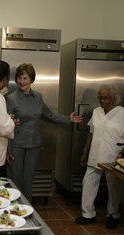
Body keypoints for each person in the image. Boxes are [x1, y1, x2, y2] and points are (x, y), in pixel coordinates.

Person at [5, 63, 82, 203]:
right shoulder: (11, 98)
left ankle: (27, 208)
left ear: (31, 79)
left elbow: (49, 114)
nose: (21, 81)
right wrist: (7, 149)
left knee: (29, 178)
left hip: (33, 144)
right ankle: (13, 208)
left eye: (25, 78)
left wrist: (68, 119)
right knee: (16, 179)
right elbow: (6, 125)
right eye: (19, 78)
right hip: (16, 145)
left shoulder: (38, 97)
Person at [75, 86, 124, 229]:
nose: (102, 101)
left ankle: (113, 214)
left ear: (113, 99)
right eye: (101, 98)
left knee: (114, 187)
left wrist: (122, 152)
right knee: (88, 183)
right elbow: (91, 132)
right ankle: (88, 214)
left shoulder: (123, 113)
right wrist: (85, 152)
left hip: (113, 157)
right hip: (95, 154)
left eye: (106, 98)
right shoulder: (97, 112)